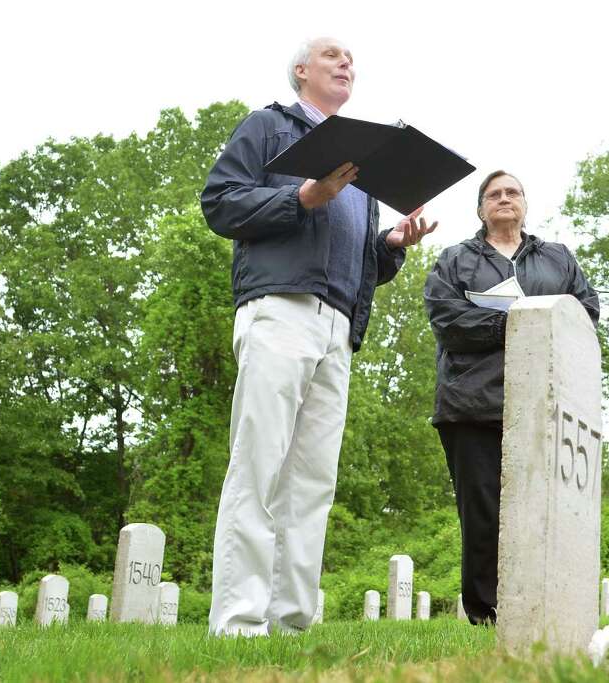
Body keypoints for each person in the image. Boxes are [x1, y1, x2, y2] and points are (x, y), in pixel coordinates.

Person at [200, 37, 437, 636]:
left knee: (313, 482)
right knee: (260, 468)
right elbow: (221, 203)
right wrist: (303, 196)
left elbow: (363, 263)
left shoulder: (364, 164)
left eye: (352, 60)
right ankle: (238, 623)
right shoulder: (270, 127)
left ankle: (290, 622)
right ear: (301, 70)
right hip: (281, 306)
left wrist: (390, 247)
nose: (346, 63)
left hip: (339, 327)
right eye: (333, 55)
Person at [423, 170, 599, 624]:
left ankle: (546, 609)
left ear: (525, 203)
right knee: (482, 516)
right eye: (494, 194)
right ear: (480, 209)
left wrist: (535, 324)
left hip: (545, 403)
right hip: (471, 404)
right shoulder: (455, 260)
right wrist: (517, 324)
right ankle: (487, 617)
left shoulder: (558, 259)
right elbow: (447, 320)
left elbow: (585, 314)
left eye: (513, 192)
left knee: (546, 511)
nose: (504, 199)